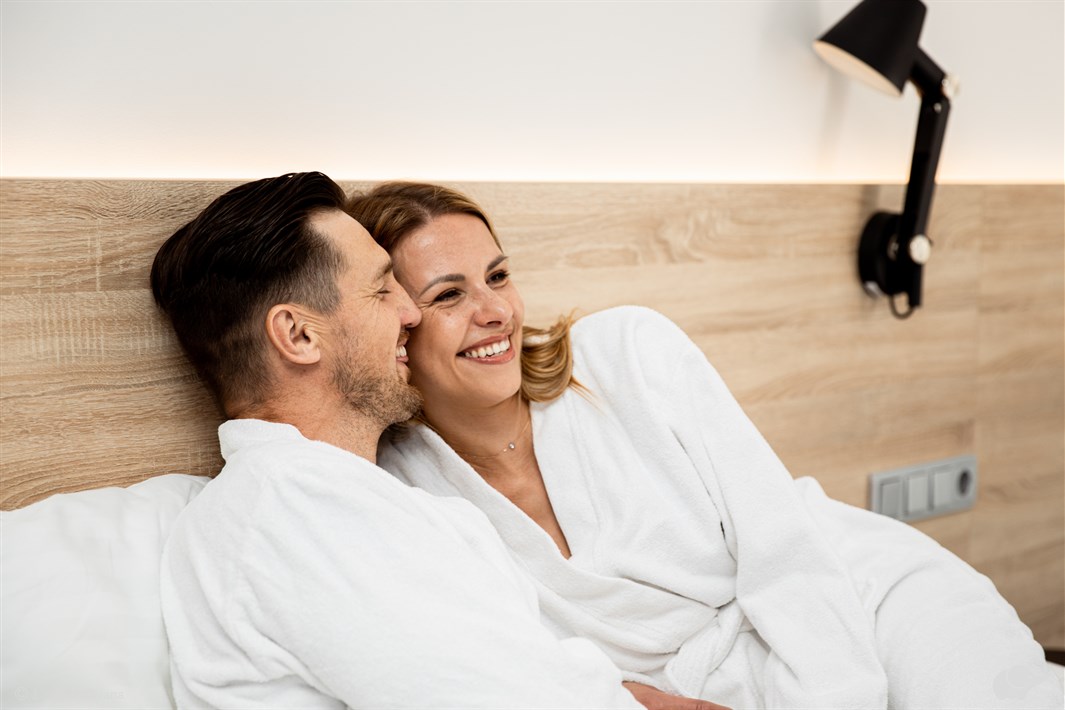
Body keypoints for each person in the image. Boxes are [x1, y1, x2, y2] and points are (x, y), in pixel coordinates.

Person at [347, 181, 1065, 709]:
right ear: (395, 328)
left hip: (850, 599)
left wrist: (836, 696)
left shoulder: (628, 353)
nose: (494, 311)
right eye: (448, 295)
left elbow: (786, 550)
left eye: (499, 276)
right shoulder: (403, 494)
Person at [151, 171, 686, 709]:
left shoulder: (345, 496)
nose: (411, 315)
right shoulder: (290, 505)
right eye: (382, 289)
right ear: (300, 335)